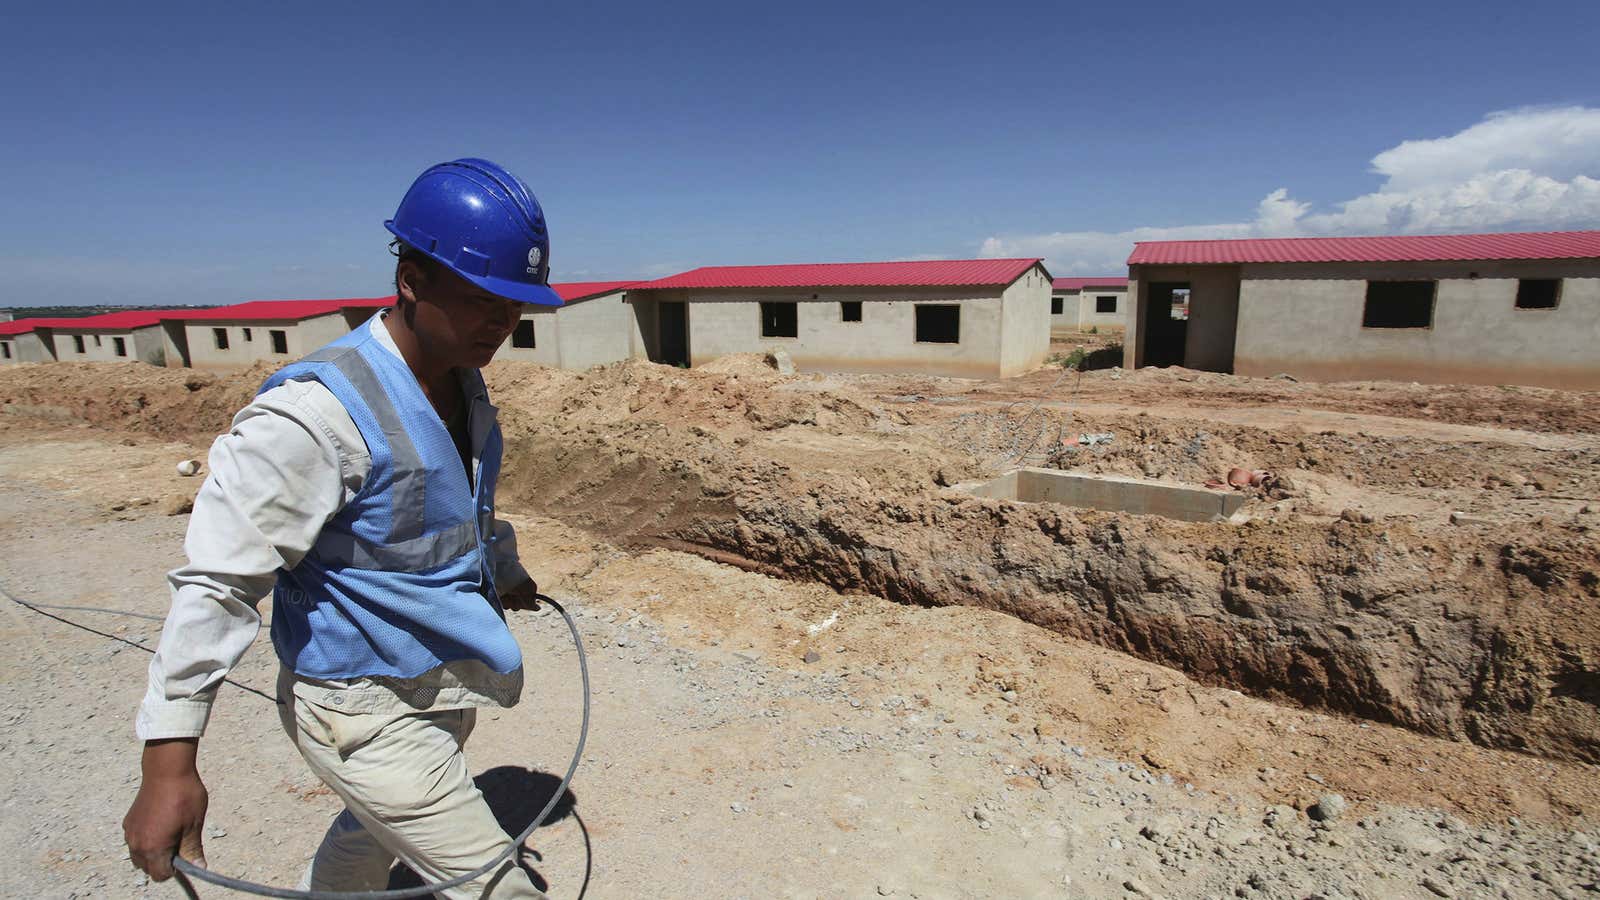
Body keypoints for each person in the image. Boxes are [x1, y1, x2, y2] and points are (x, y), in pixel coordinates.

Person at [122, 158, 565, 898]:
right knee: (499, 887)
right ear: (412, 280)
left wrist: (506, 569)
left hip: (438, 679)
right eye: (482, 297)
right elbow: (219, 581)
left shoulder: (460, 374)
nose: (503, 321)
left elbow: (453, 507)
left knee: (369, 833)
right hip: (358, 705)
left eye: (514, 303)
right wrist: (168, 762)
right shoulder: (315, 416)